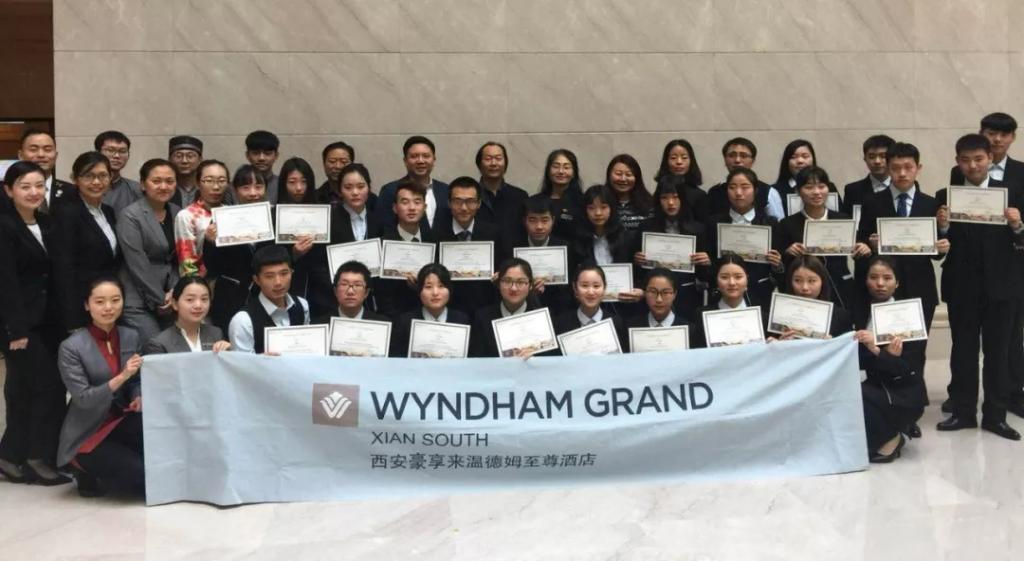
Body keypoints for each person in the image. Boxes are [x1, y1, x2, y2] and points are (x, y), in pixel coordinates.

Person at [935, 133, 1024, 440]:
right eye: (965, 160)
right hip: (962, 287)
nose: (972, 166)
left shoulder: (1011, 193)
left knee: (998, 353)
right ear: (957, 161)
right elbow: (936, 248)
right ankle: (962, 412)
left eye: (978, 159)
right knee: (963, 351)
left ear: (990, 158)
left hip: (1002, 287)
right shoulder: (945, 196)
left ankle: (996, 416)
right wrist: (942, 226)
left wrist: (1017, 226)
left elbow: (1022, 241)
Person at [0, 161, 68, 485]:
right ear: (8, 190)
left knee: (25, 390)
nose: (33, 192)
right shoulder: (4, 226)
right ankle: (37, 457)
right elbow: (6, 282)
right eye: (25, 186)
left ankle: (9, 455)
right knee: (47, 387)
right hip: (19, 325)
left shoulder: (46, 222)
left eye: (39, 186)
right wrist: (16, 329)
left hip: (49, 322)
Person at [56, 278, 144, 497]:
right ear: (87, 305)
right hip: (88, 431)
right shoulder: (71, 347)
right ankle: (81, 468)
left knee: (161, 451)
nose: (108, 307)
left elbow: (135, 381)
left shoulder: (130, 335)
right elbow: (83, 398)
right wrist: (122, 376)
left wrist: (138, 395)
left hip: (121, 420)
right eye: (100, 301)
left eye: (115, 300)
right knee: (142, 476)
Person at [857, 142, 948, 332]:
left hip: (920, 285)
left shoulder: (931, 204)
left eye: (908, 167)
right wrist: (871, 245)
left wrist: (942, 237)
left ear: (918, 168)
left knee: (917, 344)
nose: (902, 173)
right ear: (888, 169)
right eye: (896, 168)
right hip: (883, 287)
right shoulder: (872, 202)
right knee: (883, 342)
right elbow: (861, 241)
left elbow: (936, 254)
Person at [853, 256, 926, 463]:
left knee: (858, 395)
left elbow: (910, 368)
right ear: (865, 280)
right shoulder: (857, 311)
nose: (880, 283)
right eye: (873, 277)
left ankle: (893, 437)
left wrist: (878, 351)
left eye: (887, 278)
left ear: (897, 283)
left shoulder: (908, 316)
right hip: (871, 383)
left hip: (901, 391)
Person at [777, 166, 872, 310]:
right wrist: (788, 252)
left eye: (821, 186)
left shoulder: (843, 220)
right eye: (809, 187)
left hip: (840, 287)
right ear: (798, 191)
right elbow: (780, 265)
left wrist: (864, 248)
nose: (816, 192)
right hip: (805, 291)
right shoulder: (787, 224)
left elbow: (858, 250)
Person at [51, 151, 121, 334]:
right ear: (75, 179)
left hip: (106, 302)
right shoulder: (66, 213)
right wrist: (72, 319)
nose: (96, 182)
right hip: (80, 304)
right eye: (88, 176)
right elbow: (63, 269)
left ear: (110, 178)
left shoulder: (108, 211)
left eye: (102, 175)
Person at [116, 158, 180, 344]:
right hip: (138, 300)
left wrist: (176, 291)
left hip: (171, 297)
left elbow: (180, 258)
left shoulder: (177, 212)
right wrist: (160, 299)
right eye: (156, 181)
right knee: (157, 348)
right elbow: (137, 263)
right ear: (143, 184)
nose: (163, 186)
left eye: (169, 181)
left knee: (178, 349)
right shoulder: (130, 215)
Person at [202, 165, 272, 333]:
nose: (253, 193)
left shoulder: (274, 217)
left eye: (258, 186)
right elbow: (212, 267)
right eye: (246, 187)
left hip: (268, 293)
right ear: (234, 189)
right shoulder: (222, 219)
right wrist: (210, 242)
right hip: (231, 295)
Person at [702, 168, 784, 307]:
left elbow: (780, 271)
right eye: (732, 187)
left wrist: (777, 265)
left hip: (760, 293)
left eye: (745, 187)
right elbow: (708, 268)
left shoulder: (770, 223)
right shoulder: (713, 223)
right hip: (724, 293)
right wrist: (707, 262)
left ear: (755, 190)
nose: (738, 193)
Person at [635, 175, 710, 321]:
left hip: (686, 295)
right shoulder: (646, 228)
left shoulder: (698, 229)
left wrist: (706, 262)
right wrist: (638, 260)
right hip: (654, 297)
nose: (670, 203)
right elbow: (638, 272)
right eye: (664, 198)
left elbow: (703, 276)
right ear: (658, 200)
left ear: (683, 199)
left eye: (675, 197)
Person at [433, 176, 501, 317]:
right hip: (448, 309)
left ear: (479, 203)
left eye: (470, 202)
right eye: (458, 202)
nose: (464, 208)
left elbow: (503, 265)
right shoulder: (436, 235)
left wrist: (500, 275)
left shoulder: (494, 233)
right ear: (449, 203)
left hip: (485, 307)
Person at [275, 157, 333, 319]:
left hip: (320, 290)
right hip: (286, 287)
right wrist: (293, 254)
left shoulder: (323, 213)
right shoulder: (275, 215)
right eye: (292, 182)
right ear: (283, 184)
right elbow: (267, 255)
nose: (299, 188)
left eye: (304, 182)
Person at [228, 245, 311, 354]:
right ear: (257, 280)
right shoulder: (243, 321)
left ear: (291, 272)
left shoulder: (302, 305)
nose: (278, 282)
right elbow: (242, 363)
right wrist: (263, 359)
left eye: (284, 273)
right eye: (269, 276)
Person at [376, 180, 438, 319]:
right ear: (395, 208)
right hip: (394, 317)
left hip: (429, 316)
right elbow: (381, 293)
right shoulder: (382, 245)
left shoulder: (434, 241)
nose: (412, 208)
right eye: (405, 202)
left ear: (424, 207)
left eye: (417, 202)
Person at [506, 197, 576, 316]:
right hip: (522, 311)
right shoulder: (513, 248)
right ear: (524, 221)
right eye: (532, 220)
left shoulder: (565, 248)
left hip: (559, 310)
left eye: (545, 220)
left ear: (553, 220)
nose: (539, 226)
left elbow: (569, 288)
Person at [389, 263, 471, 357]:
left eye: (441, 286)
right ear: (419, 291)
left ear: (449, 289)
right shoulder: (405, 321)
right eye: (428, 287)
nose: (435, 293)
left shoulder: (461, 320)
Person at [470, 257, 546, 358]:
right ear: (498, 284)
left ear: (530, 285)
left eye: (521, 282)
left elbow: (551, 361)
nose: (513, 288)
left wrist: (535, 359)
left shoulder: (542, 319)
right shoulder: (483, 317)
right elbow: (476, 359)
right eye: (507, 281)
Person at [376, 136, 449, 230]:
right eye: (414, 156)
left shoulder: (446, 190)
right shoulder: (390, 191)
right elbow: (384, 227)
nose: (420, 161)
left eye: (426, 156)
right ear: (405, 161)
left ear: (434, 160)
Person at [144, 276, 231, 354]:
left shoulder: (216, 334)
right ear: (175, 304)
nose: (198, 305)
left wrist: (230, 351)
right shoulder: (160, 343)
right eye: (190, 299)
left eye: (204, 299)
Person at [553, 262, 627, 351]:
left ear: (604, 288)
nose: (591, 292)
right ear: (575, 288)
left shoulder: (617, 323)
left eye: (596, 286)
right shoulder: (561, 324)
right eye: (584, 286)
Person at [692, 254, 762, 348]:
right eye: (724, 277)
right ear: (717, 281)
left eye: (738, 277)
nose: (732, 283)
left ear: (747, 280)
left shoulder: (761, 317)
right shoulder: (701, 316)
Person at [706, 138, 784, 220]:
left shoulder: (768, 192)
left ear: (753, 161)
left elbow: (778, 223)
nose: (737, 160)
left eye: (743, 156)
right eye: (732, 155)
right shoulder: (714, 192)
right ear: (725, 160)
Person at [175, 159, 228, 277]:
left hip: (233, 280)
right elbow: (187, 263)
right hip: (202, 281)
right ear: (198, 183)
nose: (216, 187)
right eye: (208, 180)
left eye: (222, 181)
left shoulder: (230, 213)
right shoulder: (186, 216)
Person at [782, 255, 853, 338]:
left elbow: (848, 345)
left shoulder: (841, 317)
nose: (805, 287)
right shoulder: (779, 314)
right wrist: (779, 343)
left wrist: (833, 343)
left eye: (812, 281)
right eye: (798, 280)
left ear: (822, 281)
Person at [624, 268, 695, 351]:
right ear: (645, 293)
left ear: (674, 294)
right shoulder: (630, 327)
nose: (659, 299)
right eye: (653, 292)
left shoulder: (689, 330)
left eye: (665, 292)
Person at [949, 112, 1024, 188]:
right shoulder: (959, 171)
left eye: (1004, 135)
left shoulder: (1021, 170)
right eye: (991, 134)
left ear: (1013, 137)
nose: (997, 139)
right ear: (981, 134)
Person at [474, 141, 528, 237]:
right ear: (479, 164)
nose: (493, 163)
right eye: (488, 159)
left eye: (498, 158)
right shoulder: (471, 196)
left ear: (505, 163)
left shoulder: (520, 196)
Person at [530, 148, 585, 241]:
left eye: (566, 167)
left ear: (574, 173)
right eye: (556, 166)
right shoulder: (534, 201)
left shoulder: (583, 202)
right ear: (548, 171)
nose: (561, 171)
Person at [313, 260, 390, 325]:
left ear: (366, 292)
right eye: (344, 284)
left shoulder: (382, 324)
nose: (350, 291)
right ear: (335, 291)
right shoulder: (319, 325)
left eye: (357, 285)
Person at [15, 129, 74, 212]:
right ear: (20, 155)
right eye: (33, 149)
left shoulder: (73, 192)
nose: (41, 155)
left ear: (56, 156)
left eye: (47, 150)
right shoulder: (5, 192)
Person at [653, 138, 709, 223]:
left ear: (691, 161)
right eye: (673, 158)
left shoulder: (699, 195)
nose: (679, 162)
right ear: (666, 161)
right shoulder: (660, 189)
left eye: (684, 157)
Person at [329, 163, 383, 246]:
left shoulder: (378, 221)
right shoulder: (330, 220)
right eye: (348, 187)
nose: (355, 192)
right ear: (340, 191)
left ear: (369, 188)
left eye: (361, 187)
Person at [842, 134, 896, 216]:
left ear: (892, 158)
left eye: (883, 156)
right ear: (865, 159)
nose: (877, 161)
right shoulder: (852, 190)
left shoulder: (901, 187)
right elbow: (847, 220)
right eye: (872, 157)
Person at [316, 141, 378, 211]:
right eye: (332, 161)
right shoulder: (314, 198)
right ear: (324, 164)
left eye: (344, 162)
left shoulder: (372, 200)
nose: (338, 166)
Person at [94, 130, 143, 215]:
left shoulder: (137, 189)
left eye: (122, 151)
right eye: (110, 150)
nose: (117, 156)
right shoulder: (85, 187)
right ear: (97, 153)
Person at [605, 154, 654, 232]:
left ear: (637, 177)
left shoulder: (649, 205)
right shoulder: (602, 203)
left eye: (628, 174)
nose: (623, 179)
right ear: (609, 175)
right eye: (618, 174)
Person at [167, 135, 204, 208]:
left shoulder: (207, 189)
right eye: (178, 156)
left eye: (190, 156)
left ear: (200, 160)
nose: (184, 161)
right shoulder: (164, 188)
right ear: (169, 159)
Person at [245, 130, 280, 204]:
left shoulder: (283, 185)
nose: (261, 158)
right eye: (256, 153)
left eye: (267, 153)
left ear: (276, 156)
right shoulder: (233, 188)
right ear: (247, 155)